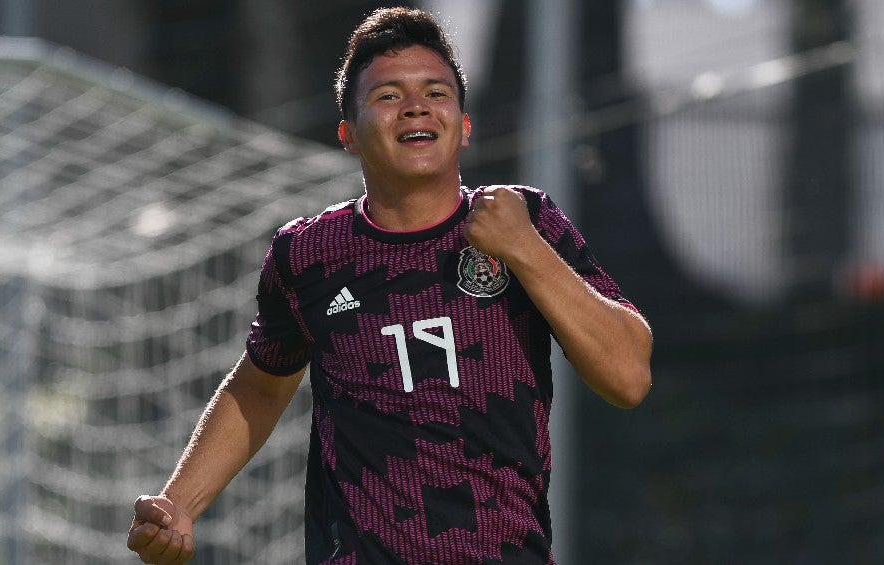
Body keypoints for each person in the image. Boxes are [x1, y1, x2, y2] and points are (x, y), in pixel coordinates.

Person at [127, 6, 652, 564]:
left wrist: (525, 250)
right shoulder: (307, 254)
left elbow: (628, 377)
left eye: (437, 92)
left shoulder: (530, 221)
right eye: (388, 96)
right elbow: (260, 385)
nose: (416, 106)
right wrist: (179, 505)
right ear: (348, 134)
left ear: (465, 126)